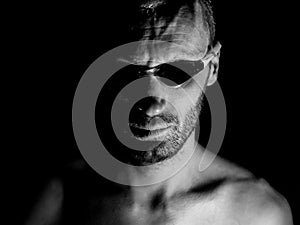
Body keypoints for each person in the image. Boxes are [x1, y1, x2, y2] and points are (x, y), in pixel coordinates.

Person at [26, 0, 293, 224]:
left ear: (212, 68)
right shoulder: (58, 200)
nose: (152, 105)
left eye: (177, 71)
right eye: (128, 71)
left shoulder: (255, 215)